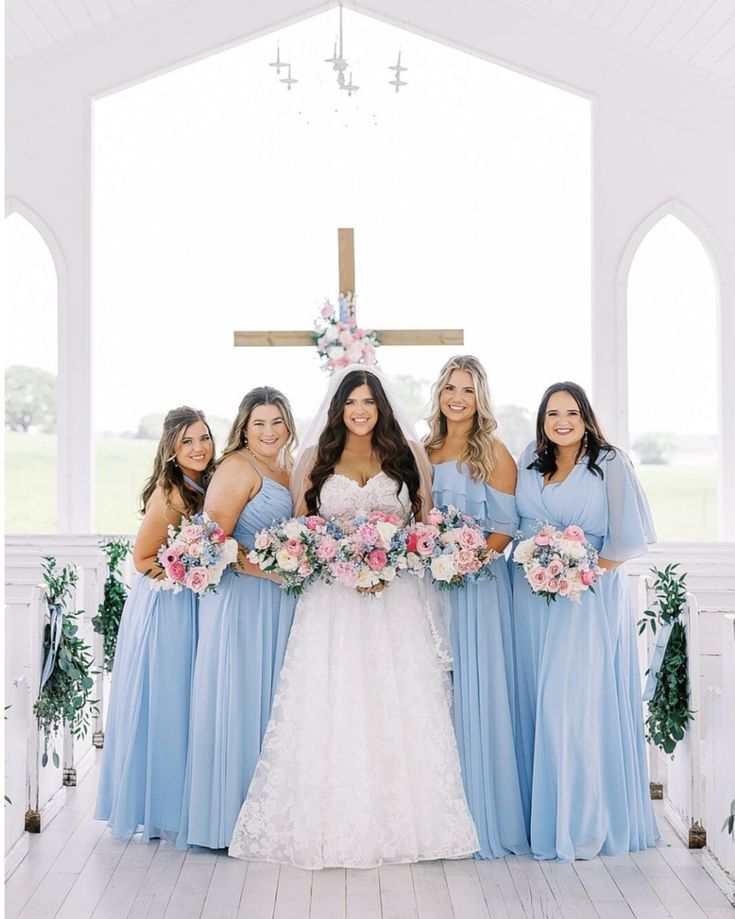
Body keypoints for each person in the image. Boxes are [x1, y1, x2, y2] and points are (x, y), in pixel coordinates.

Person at [229, 366, 479, 869]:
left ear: (381, 405)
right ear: (338, 408)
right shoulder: (315, 457)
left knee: (397, 703)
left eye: (368, 402)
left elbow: (422, 527)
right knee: (334, 700)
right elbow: (301, 531)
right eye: (351, 403)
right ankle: (332, 822)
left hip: (396, 598)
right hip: (333, 600)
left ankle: (407, 822)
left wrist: (398, 557)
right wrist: (338, 558)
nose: (360, 411)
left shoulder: (404, 456)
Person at [512, 382, 658, 861]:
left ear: (585, 416)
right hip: (534, 601)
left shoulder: (609, 463)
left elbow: (627, 537)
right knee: (542, 705)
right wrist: (540, 563)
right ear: (543, 420)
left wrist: (580, 571)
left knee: (571, 707)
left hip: (587, 597)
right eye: (553, 413)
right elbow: (520, 529)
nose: (562, 421)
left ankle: (580, 825)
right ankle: (546, 822)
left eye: (571, 412)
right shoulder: (532, 462)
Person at [178, 387, 297, 849]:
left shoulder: (287, 467)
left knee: (273, 704)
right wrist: (268, 571)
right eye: (259, 423)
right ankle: (226, 820)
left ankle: (266, 819)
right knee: (239, 699)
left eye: (277, 422)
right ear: (244, 428)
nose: (269, 432)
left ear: (289, 425)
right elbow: (214, 543)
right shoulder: (235, 467)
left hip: (281, 600)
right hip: (243, 600)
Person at [425, 355, 529, 858]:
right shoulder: (424, 450)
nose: (458, 397)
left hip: (478, 588)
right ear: (439, 395)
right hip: (427, 587)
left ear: (480, 396)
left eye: (467, 389)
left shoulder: (494, 452)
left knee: (474, 692)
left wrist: (464, 559)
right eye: (450, 388)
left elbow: (505, 529)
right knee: (431, 693)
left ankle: (482, 813)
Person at [96, 406, 215, 840]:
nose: (199, 448)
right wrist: (193, 570)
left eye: (203, 437)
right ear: (170, 450)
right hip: (167, 607)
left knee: (190, 700)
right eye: (188, 442)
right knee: (168, 699)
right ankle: (163, 808)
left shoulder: (206, 482)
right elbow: (144, 559)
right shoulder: (171, 494)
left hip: (194, 600)